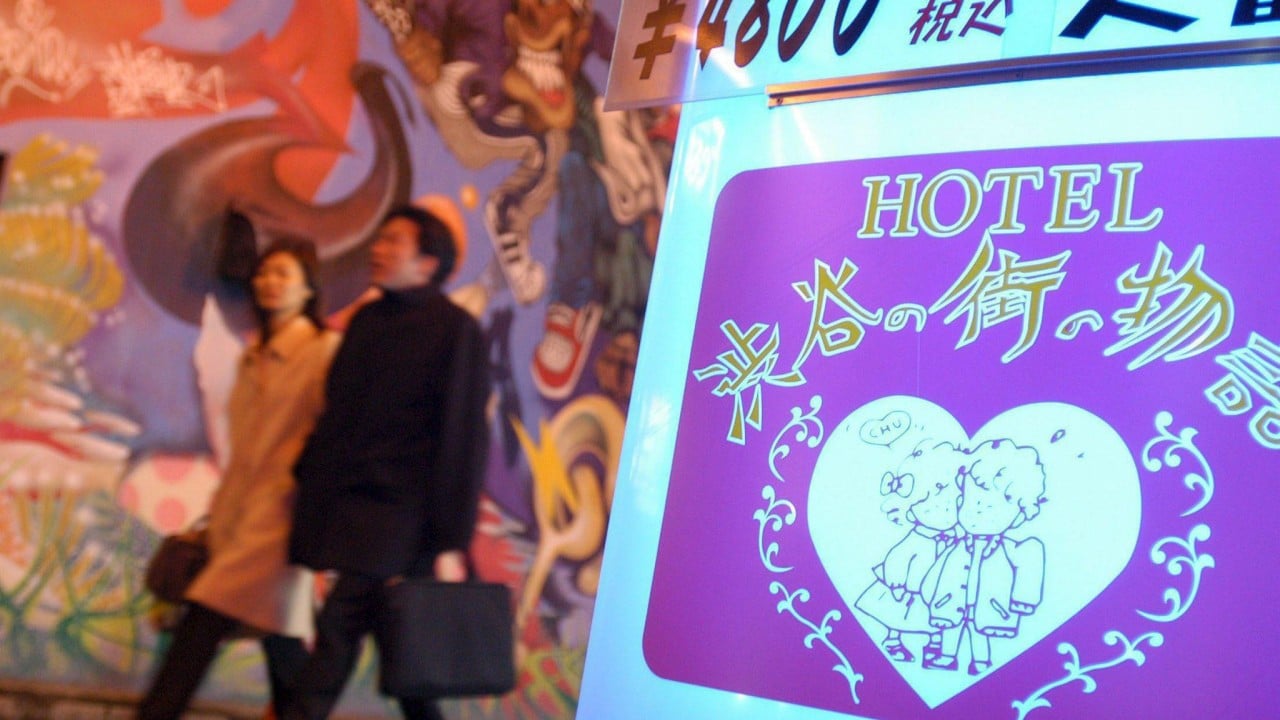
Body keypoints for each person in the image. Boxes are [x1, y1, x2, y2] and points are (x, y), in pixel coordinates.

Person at [283, 204, 490, 720]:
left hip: (403, 519)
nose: (377, 250)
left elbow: (462, 440)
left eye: (393, 241)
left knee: (337, 634)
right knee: (406, 667)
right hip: (356, 513)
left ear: (428, 263)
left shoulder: (456, 330)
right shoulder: (367, 322)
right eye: (379, 240)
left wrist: (450, 537)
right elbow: (337, 416)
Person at [138, 238, 340, 720]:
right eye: (264, 273)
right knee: (281, 645)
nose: (269, 282)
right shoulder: (253, 357)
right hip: (241, 517)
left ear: (308, 288)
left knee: (199, 629)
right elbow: (245, 451)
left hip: (279, 522)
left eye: (283, 274)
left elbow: (333, 437)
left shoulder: (324, 353)